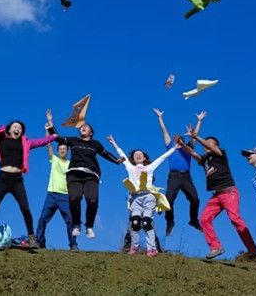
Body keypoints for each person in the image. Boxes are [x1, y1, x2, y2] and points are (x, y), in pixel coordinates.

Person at [0, 103, 57, 248]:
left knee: (25, 209)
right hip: (3, 178)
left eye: (20, 128)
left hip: (17, 180)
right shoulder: (0, 138)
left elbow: (41, 141)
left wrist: (53, 135)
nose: (18, 129)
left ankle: (31, 238)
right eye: (15, 127)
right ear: (9, 129)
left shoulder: (26, 143)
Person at [184, 121, 256, 259]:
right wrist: (183, 144)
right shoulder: (205, 159)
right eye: (206, 144)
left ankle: (252, 249)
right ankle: (215, 246)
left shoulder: (220, 153)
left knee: (235, 219)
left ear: (216, 146)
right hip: (217, 195)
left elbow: (208, 146)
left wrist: (196, 137)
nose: (207, 146)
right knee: (205, 218)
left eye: (210, 143)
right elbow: (194, 154)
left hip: (229, 192)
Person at [46, 110, 122, 239]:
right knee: (74, 199)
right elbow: (57, 138)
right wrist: (50, 122)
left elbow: (105, 154)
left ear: (91, 133)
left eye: (86, 127)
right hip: (74, 175)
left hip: (91, 175)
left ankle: (89, 226)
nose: (83, 127)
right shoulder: (74, 141)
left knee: (92, 200)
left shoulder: (95, 144)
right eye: (82, 127)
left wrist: (116, 160)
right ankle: (77, 224)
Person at [108, 134, 179, 257]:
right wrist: (114, 143)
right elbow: (122, 155)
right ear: (133, 159)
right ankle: (133, 247)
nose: (138, 155)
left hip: (148, 197)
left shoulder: (150, 167)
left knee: (146, 222)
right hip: (135, 198)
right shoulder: (130, 168)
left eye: (140, 154)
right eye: (135, 155)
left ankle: (152, 249)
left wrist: (174, 148)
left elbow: (162, 158)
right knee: (135, 222)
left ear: (144, 157)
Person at [154, 108, 203, 235]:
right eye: (175, 138)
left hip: (186, 176)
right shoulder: (170, 147)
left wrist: (199, 121)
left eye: (179, 139)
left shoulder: (188, 148)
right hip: (174, 176)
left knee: (195, 199)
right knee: (169, 200)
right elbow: (164, 131)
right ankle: (170, 222)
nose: (177, 140)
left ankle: (193, 220)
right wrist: (160, 117)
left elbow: (195, 136)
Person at [35, 128, 78, 250]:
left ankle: (73, 244)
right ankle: (40, 241)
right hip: (52, 195)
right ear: (58, 151)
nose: (62, 151)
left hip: (65, 196)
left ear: (67, 151)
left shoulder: (71, 163)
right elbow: (48, 144)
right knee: (43, 219)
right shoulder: (54, 160)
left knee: (70, 221)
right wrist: (47, 130)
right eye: (60, 149)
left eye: (64, 149)